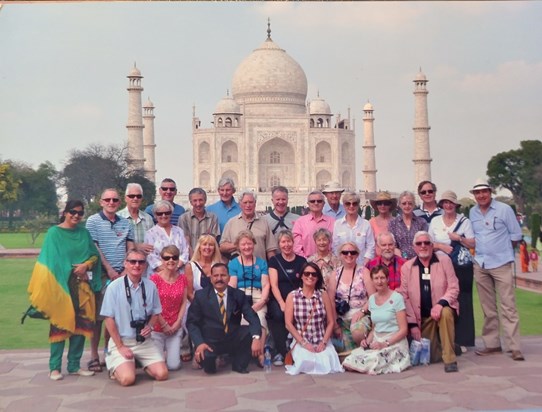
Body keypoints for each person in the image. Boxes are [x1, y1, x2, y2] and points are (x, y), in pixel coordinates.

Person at [27, 200, 101, 381]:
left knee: (81, 326)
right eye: (72, 212)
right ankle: (54, 368)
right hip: (61, 286)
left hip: (82, 288)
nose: (76, 216)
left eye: (80, 213)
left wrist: (86, 265)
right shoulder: (54, 233)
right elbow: (49, 261)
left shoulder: (84, 233)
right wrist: (65, 274)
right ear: (65, 212)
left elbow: (94, 255)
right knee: (59, 325)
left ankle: (74, 365)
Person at [469, 179, 524, 361]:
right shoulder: (473, 212)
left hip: (501, 263)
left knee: (508, 306)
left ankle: (514, 347)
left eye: (484, 191)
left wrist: (502, 250)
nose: (481, 195)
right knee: (488, 308)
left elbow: (515, 235)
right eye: (477, 193)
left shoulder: (504, 210)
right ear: (474, 195)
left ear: (490, 192)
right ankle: (492, 344)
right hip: (481, 264)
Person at [101, 248, 168, 386]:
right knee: (128, 379)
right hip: (122, 341)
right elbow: (108, 319)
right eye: (133, 261)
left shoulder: (151, 286)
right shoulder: (114, 287)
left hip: (143, 341)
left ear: (145, 265)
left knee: (162, 374)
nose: (136, 265)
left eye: (141, 262)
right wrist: (120, 346)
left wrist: (149, 326)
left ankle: (136, 362)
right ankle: (115, 362)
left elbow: (156, 312)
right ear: (125, 263)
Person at [86, 188, 135, 372]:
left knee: (114, 317)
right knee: (97, 317)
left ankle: (109, 351)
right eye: (108, 199)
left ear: (119, 201)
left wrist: (124, 270)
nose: (111, 202)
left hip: (122, 274)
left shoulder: (124, 223)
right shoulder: (93, 221)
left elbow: (129, 247)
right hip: (101, 275)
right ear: (101, 202)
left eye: (115, 199)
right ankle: (93, 355)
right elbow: (95, 248)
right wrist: (109, 269)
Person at [399, 231, 460, 373]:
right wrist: (413, 324)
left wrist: (441, 304)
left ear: (432, 246)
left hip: (441, 311)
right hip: (423, 318)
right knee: (431, 356)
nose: (423, 246)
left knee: (445, 313)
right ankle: (448, 345)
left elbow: (453, 287)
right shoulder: (407, 267)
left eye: (426, 243)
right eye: (419, 243)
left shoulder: (444, 261)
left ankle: (450, 359)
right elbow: (405, 296)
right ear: (414, 247)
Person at [187, 263, 262, 374]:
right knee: (209, 368)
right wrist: (199, 343)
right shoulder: (200, 296)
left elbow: (252, 317)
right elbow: (192, 323)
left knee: (248, 331)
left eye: (223, 275)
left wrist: (256, 338)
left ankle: (238, 365)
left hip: (232, 338)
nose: (219, 279)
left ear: (229, 277)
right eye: (216, 276)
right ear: (211, 278)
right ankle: (207, 359)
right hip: (211, 341)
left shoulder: (238, 295)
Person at [428, 190, 476, 349]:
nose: (448, 205)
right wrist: (441, 246)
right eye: (445, 203)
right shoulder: (435, 221)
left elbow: (473, 244)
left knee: (462, 301)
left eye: (451, 203)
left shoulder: (464, 221)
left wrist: (459, 239)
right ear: (441, 205)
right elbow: (428, 243)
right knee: (441, 300)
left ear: (456, 205)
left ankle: (462, 340)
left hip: (460, 267)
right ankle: (443, 339)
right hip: (439, 265)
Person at [342, 265, 410, 375]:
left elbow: (403, 330)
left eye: (382, 278)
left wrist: (385, 344)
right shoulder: (372, 299)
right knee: (350, 360)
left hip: (394, 341)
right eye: (376, 278)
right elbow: (374, 328)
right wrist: (367, 342)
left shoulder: (397, 298)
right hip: (377, 339)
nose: (379, 281)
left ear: (387, 279)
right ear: (372, 280)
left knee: (373, 361)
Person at [284, 262, 343, 375]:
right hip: (302, 341)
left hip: (321, 339)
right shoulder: (292, 296)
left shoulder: (323, 295)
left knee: (327, 363)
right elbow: (288, 324)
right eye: (307, 274)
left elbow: (330, 322)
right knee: (305, 362)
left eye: (314, 274)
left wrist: (324, 342)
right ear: (301, 276)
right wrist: (303, 343)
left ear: (317, 277)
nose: (310, 277)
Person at [227, 230, 270, 366]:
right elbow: (232, 284)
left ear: (254, 244)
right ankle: (243, 352)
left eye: (249, 243)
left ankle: (260, 353)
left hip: (258, 296)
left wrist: (262, 301)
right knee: (241, 321)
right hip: (239, 295)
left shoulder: (262, 263)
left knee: (261, 319)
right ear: (238, 246)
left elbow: (265, 284)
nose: (247, 247)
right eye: (243, 244)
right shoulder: (233, 264)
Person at [327, 242, 375, 352]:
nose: (349, 255)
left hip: (360, 314)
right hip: (341, 317)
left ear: (357, 255)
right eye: (345, 252)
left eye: (352, 252)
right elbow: (330, 301)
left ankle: (366, 350)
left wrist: (362, 311)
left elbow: (373, 296)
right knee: (343, 350)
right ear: (340, 255)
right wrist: (334, 324)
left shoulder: (364, 272)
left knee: (357, 333)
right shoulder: (335, 274)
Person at [267, 230, 306, 366]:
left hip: (298, 299)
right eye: (283, 242)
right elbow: (274, 285)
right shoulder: (274, 261)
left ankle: (298, 346)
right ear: (279, 244)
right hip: (280, 298)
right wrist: (282, 303)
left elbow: (304, 283)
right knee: (278, 314)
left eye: (289, 241)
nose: (286, 245)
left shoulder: (302, 261)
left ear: (293, 242)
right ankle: (280, 351)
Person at [150, 245, 188, 371]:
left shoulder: (183, 279)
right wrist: (164, 324)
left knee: (173, 366)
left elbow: (184, 302)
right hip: (157, 328)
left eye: (174, 257)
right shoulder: (154, 279)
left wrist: (178, 322)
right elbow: (153, 305)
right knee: (159, 366)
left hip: (175, 327)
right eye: (167, 258)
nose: (170, 260)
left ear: (178, 260)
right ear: (161, 260)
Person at [220, 190, 278, 260]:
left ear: (255, 203)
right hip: (238, 269)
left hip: (259, 268)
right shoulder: (231, 223)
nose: (248, 205)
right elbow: (222, 247)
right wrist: (238, 245)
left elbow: (270, 249)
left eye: (251, 202)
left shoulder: (264, 222)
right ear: (240, 204)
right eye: (245, 202)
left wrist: (272, 267)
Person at [144, 200, 189, 275]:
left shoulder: (179, 231)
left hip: (178, 273)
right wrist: (166, 271)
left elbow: (185, 251)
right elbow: (150, 256)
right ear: (155, 215)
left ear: (171, 213)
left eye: (167, 213)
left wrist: (176, 267)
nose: (164, 216)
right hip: (158, 274)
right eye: (160, 213)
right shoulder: (150, 234)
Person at [332, 191, 375, 265]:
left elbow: (370, 247)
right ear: (344, 206)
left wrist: (364, 265)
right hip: (343, 266)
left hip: (361, 266)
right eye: (348, 203)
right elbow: (335, 246)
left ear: (358, 205)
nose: (351, 206)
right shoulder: (337, 224)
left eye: (354, 203)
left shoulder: (366, 224)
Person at [178, 187, 220, 257]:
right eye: (195, 201)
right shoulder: (183, 218)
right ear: (191, 202)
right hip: (189, 257)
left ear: (205, 200)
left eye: (200, 200)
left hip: (208, 257)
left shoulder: (213, 218)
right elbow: (186, 242)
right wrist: (194, 260)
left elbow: (212, 241)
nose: (198, 204)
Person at [293, 190, 335, 258]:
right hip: (306, 264)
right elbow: (296, 247)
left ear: (324, 203)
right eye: (312, 201)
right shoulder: (300, 222)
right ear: (308, 204)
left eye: (319, 201)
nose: (316, 203)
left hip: (328, 264)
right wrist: (306, 262)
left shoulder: (332, 222)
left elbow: (335, 245)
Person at [389, 190, 428, 259]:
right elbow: (392, 244)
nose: (407, 206)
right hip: (400, 260)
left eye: (410, 203)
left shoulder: (421, 222)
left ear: (414, 205)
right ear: (400, 205)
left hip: (419, 260)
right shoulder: (393, 223)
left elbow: (425, 242)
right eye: (404, 203)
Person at [117, 182, 154, 255]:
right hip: (124, 263)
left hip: (145, 263)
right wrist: (137, 246)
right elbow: (115, 243)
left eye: (138, 196)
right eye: (132, 196)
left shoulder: (148, 218)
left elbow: (153, 242)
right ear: (125, 198)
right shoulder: (117, 218)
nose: (135, 198)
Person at [369, 191, 397, 255]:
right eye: (379, 203)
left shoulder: (397, 222)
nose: (382, 206)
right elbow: (369, 245)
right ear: (376, 205)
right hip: (377, 260)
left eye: (386, 203)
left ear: (390, 205)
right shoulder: (371, 222)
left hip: (394, 259)